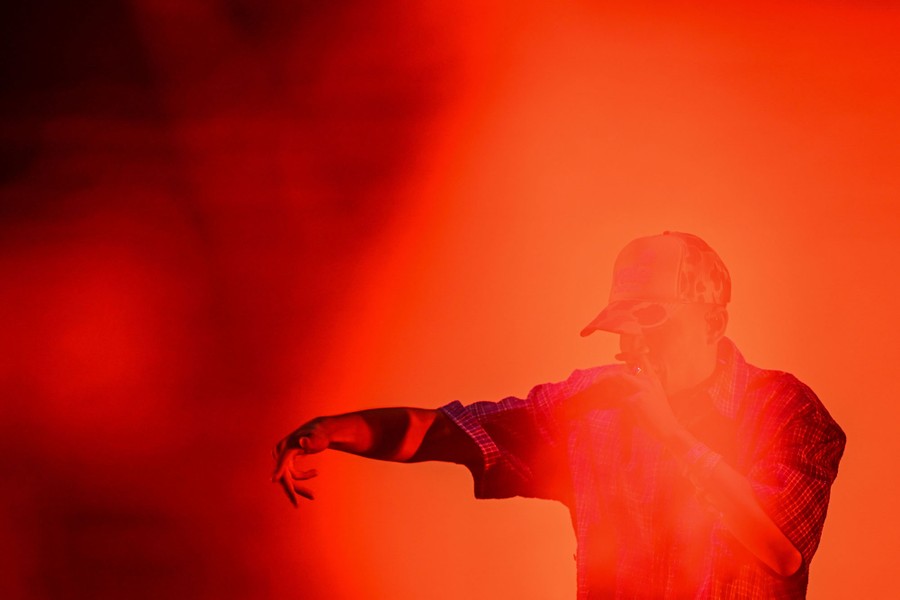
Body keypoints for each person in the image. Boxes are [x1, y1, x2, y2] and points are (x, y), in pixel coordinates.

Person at [272, 231, 845, 599]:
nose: (634, 347)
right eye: (624, 329)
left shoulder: (784, 410)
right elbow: (455, 431)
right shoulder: (594, 406)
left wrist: (672, 436)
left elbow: (782, 551)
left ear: (712, 324)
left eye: (653, 325)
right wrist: (331, 431)